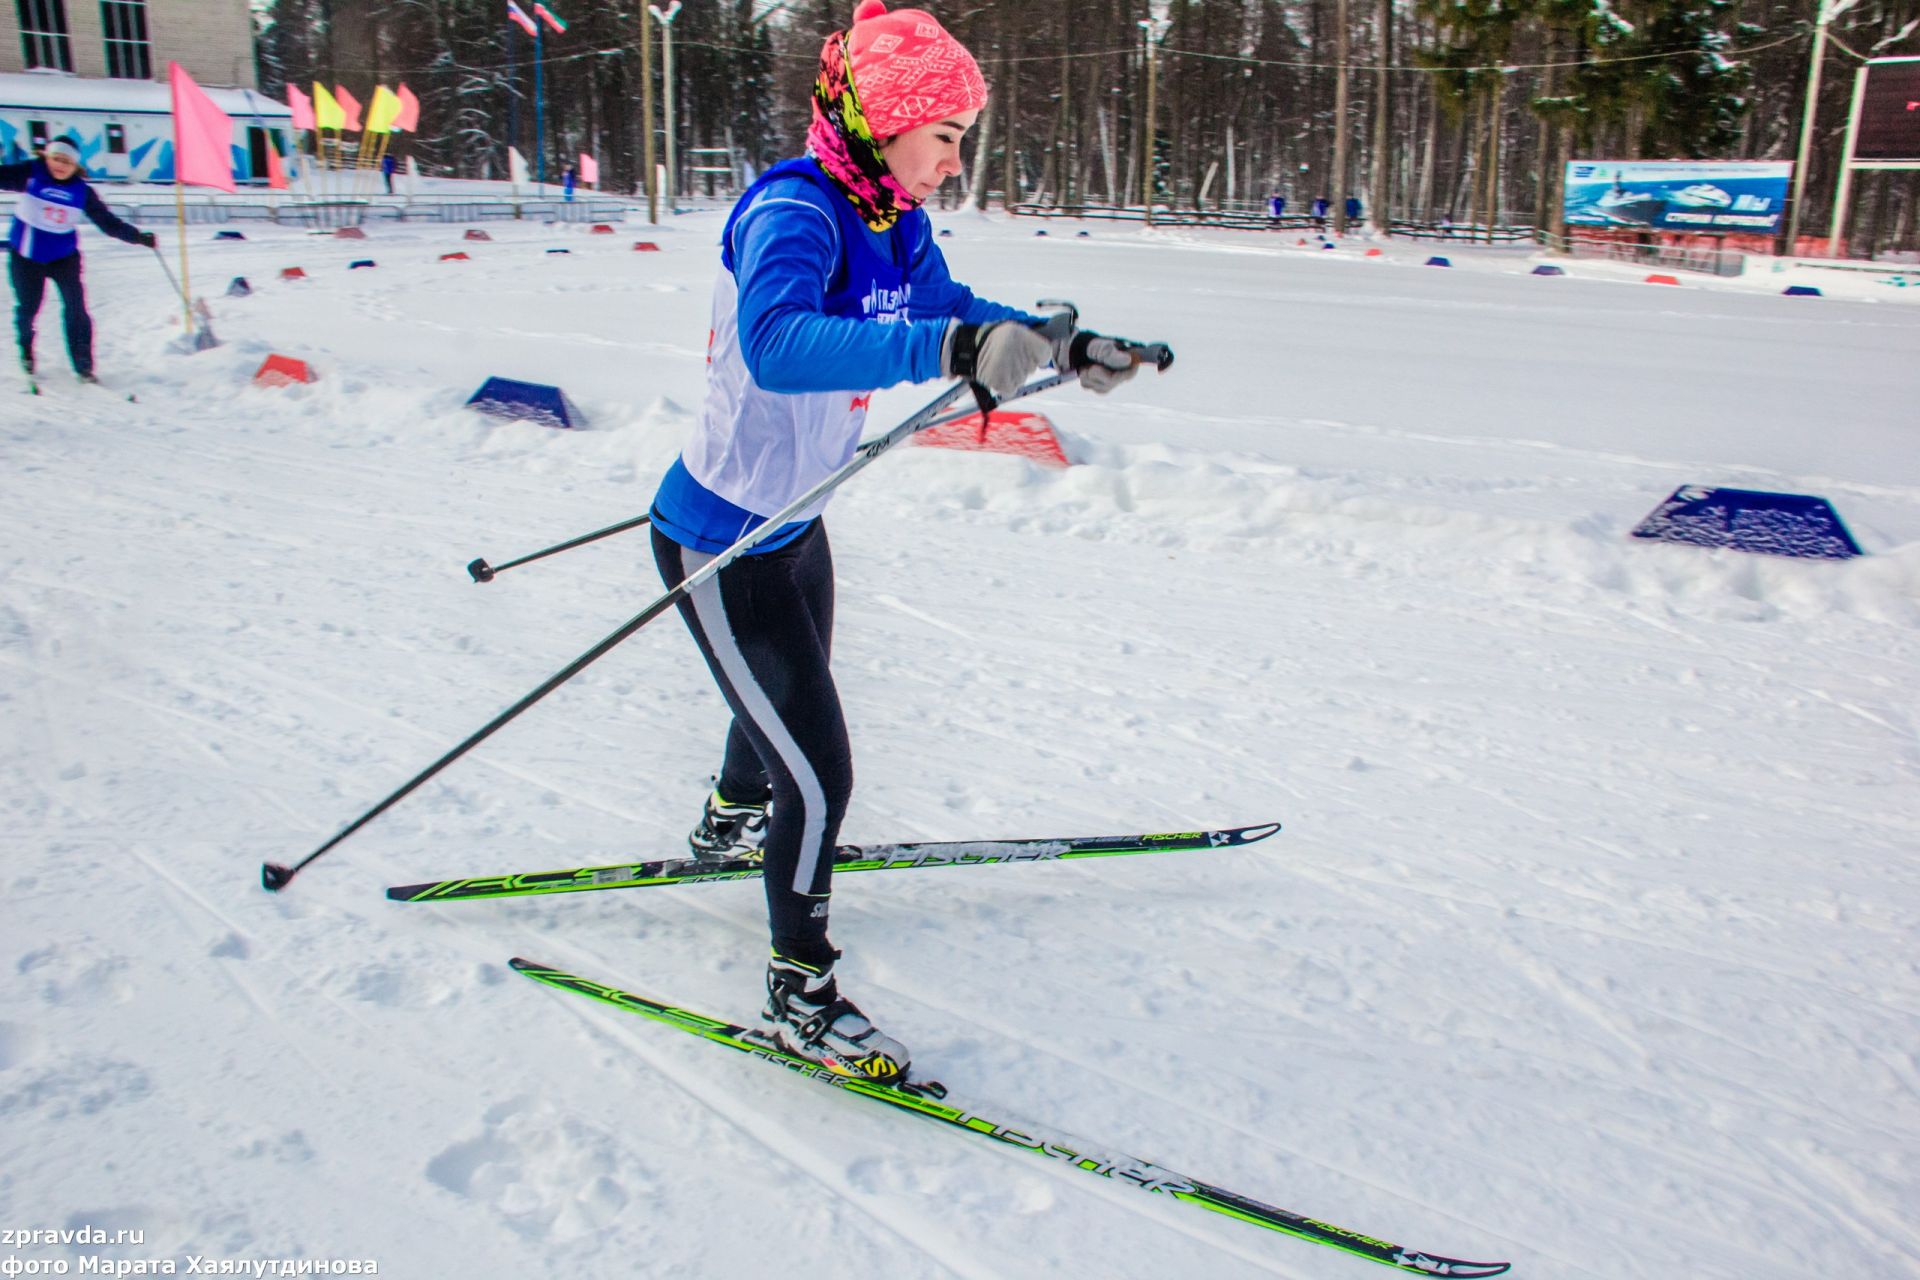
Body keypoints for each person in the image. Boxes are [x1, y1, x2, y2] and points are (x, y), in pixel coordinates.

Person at [648, 0, 1138, 1086]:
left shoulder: (891, 219)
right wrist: (954, 344)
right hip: (718, 539)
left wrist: (1061, 342)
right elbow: (778, 345)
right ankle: (799, 988)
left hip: (796, 524)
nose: (955, 164)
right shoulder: (798, 212)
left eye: (965, 139)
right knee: (821, 777)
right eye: (948, 135)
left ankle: (731, 817)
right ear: (884, 118)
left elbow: (951, 304)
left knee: (786, 697)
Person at [4, 137, 154, 381]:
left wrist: (137, 237)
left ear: (76, 166)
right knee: (29, 309)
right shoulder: (31, 173)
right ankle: (26, 349)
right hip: (26, 257)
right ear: (46, 158)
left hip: (64, 258)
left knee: (76, 309)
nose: (60, 166)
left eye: (67, 162)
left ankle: (83, 364)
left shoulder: (82, 192)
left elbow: (107, 223)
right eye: (56, 159)